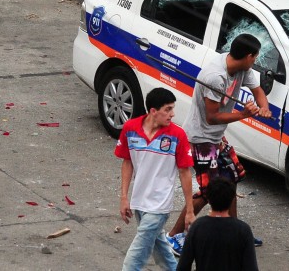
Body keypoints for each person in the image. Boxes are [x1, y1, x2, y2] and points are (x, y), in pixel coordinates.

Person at [166, 33, 272, 255]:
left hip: (216, 137)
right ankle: (173, 236)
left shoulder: (242, 67)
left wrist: (264, 108)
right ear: (248, 56)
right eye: (255, 57)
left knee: (231, 179)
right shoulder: (215, 77)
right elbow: (211, 117)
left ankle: (234, 234)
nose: (256, 60)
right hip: (200, 138)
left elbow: (258, 91)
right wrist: (243, 114)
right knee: (209, 193)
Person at [115, 87, 195, 271]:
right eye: (167, 109)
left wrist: (190, 210)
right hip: (139, 201)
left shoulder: (178, 135)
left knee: (135, 256)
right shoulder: (130, 129)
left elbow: (185, 173)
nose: (172, 114)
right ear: (153, 111)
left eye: (172, 109)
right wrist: (124, 197)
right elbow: (127, 163)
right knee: (161, 249)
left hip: (160, 205)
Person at [177, 177, 259, 271]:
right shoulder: (243, 230)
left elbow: (183, 266)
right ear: (232, 199)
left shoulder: (197, 227)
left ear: (208, 199)